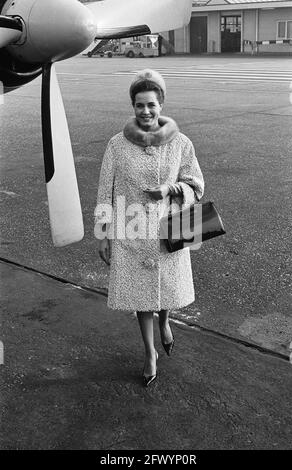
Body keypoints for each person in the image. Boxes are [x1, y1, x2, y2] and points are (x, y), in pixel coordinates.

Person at [94, 69, 204, 387]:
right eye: (140, 105)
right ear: (133, 106)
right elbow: (104, 189)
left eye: (152, 105)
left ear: (161, 104)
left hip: (170, 228)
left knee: (166, 288)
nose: (146, 111)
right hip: (132, 233)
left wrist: (170, 190)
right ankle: (149, 351)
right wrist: (102, 232)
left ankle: (166, 322)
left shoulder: (181, 143)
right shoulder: (117, 145)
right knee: (141, 296)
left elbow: (196, 184)